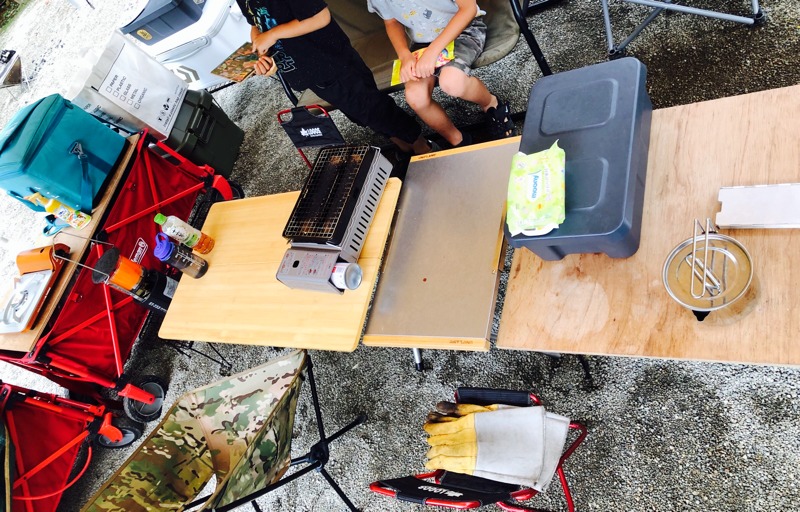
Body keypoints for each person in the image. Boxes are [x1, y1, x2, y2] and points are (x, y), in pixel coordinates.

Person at [236, 0, 434, 155]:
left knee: (370, 106)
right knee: (358, 112)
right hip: (303, 70)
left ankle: (420, 144)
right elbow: (256, 24)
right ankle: (402, 144)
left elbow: (320, 17)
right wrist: (262, 52)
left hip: (331, 60)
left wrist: (273, 35)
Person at [367, 0, 516, 147]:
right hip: (422, 42)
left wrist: (433, 52)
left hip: (464, 30)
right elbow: (391, 22)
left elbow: (469, 8)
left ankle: (491, 104)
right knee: (415, 97)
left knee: (452, 82)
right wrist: (404, 55)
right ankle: (458, 140)